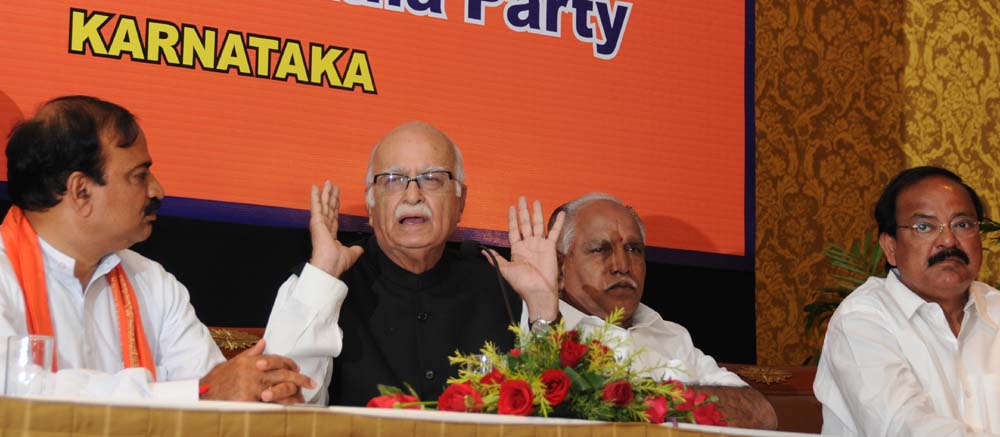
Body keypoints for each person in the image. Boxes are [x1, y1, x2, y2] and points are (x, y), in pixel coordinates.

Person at [0, 95, 318, 402]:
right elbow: (17, 391)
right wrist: (196, 393)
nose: (157, 190)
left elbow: (212, 389)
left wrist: (260, 391)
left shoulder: (152, 282)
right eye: (139, 176)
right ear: (81, 191)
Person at [269, 121, 561, 406]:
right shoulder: (323, 282)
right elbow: (281, 405)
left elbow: (549, 414)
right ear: (371, 205)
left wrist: (541, 306)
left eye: (432, 178)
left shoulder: (503, 288)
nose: (412, 195)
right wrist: (321, 277)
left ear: (461, 202)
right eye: (392, 180)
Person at [486, 193, 777, 429]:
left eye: (634, 249)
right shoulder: (531, 324)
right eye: (601, 249)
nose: (622, 265)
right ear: (560, 266)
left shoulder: (670, 335)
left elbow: (761, 415)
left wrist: (637, 398)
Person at [813, 166, 1000, 435]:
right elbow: (904, 426)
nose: (948, 240)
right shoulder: (862, 318)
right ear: (890, 247)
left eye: (962, 224)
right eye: (924, 226)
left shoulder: (996, 308)